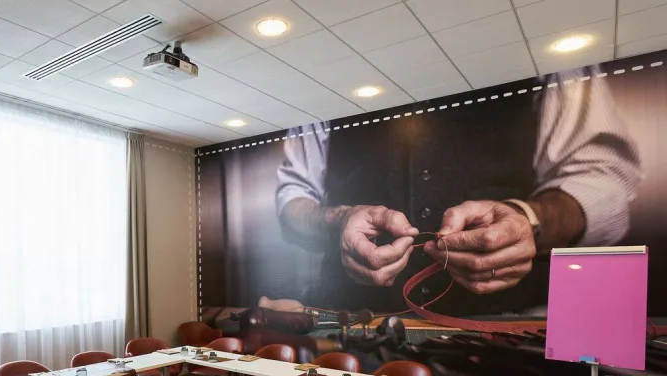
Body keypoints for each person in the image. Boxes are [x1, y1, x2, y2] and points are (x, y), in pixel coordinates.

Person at [275, 67, 641, 314]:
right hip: (354, 322)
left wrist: (527, 219)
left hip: (503, 333)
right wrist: (338, 221)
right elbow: (293, 197)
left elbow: (602, 176)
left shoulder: (543, 44)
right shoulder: (322, 72)